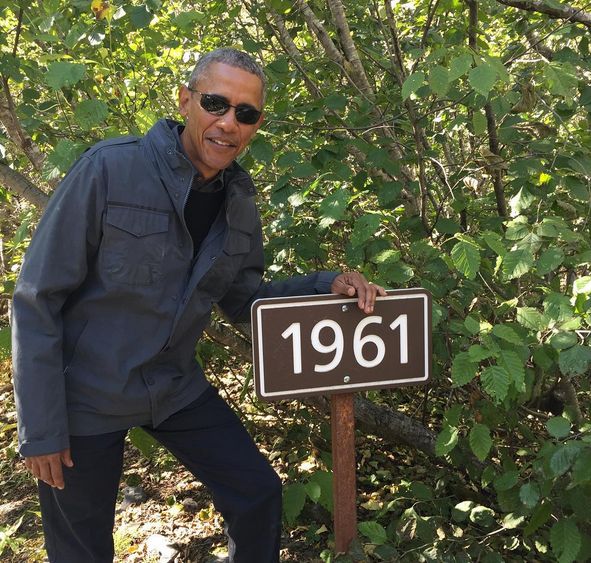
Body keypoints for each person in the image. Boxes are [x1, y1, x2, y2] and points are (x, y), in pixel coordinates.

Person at [11, 48, 386, 563]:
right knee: (82, 549)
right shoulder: (109, 169)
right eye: (215, 103)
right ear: (186, 100)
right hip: (86, 396)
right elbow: (37, 300)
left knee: (257, 492)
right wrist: (42, 428)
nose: (228, 123)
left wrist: (327, 286)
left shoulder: (238, 202)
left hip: (172, 385)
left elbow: (246, 299)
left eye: (245, 113)